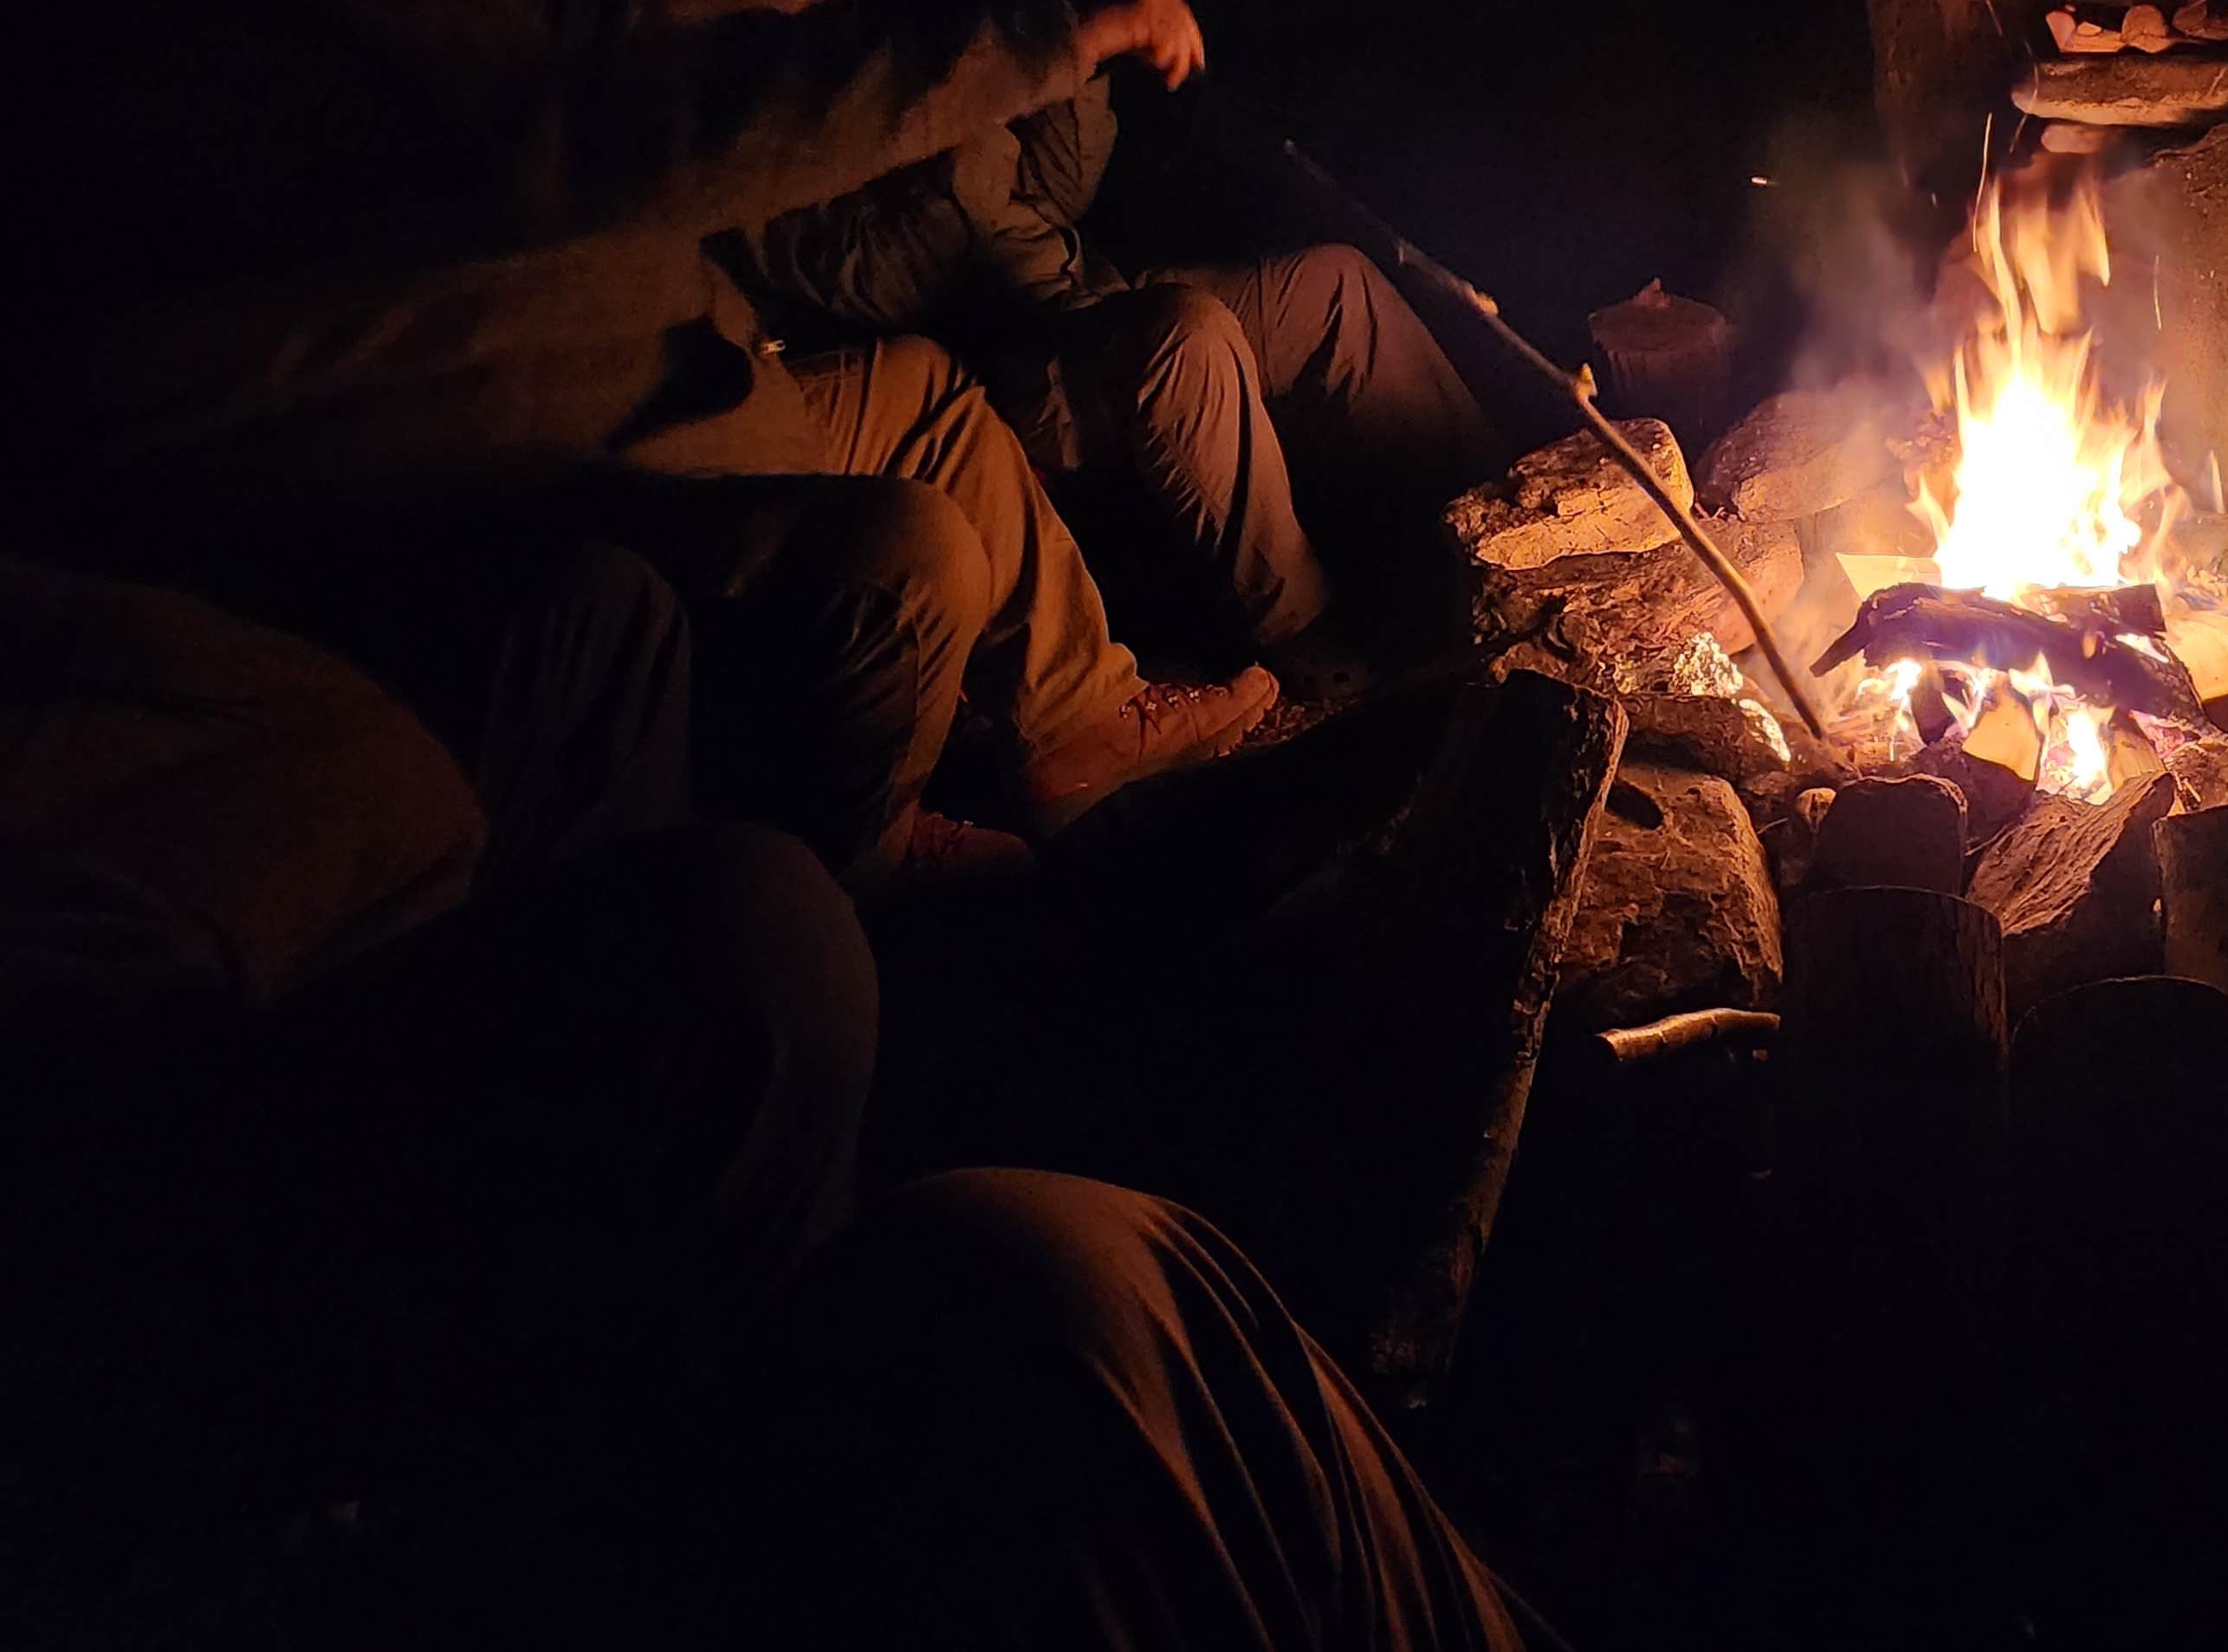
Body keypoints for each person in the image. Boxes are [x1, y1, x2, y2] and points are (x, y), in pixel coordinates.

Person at [0, 559, 1557, 1649]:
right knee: (776, 950)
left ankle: (1077, 943)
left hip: (275, 851)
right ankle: (709, 1423)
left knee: (619, 631)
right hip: (142, 1066)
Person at [0, 0, 1270, 878]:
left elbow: (643, 37)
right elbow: (613, 137)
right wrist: (1038, 40)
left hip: (654, 404)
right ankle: (843, 876)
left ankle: (1075, 723)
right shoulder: (178, 65)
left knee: (925, 405)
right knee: (898, 546)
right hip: (493, 500)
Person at [720, 46, 1502, 693]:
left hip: (1090, 298)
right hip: (1004, 372)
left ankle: (1503, 535)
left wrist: (1076, 53)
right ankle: (1309, 632)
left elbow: (1058, 190)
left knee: (1339, 286)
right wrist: (943, 91)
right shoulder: (757, 130)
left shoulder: (892, 45)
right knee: (1184, 338)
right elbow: (893, 268)